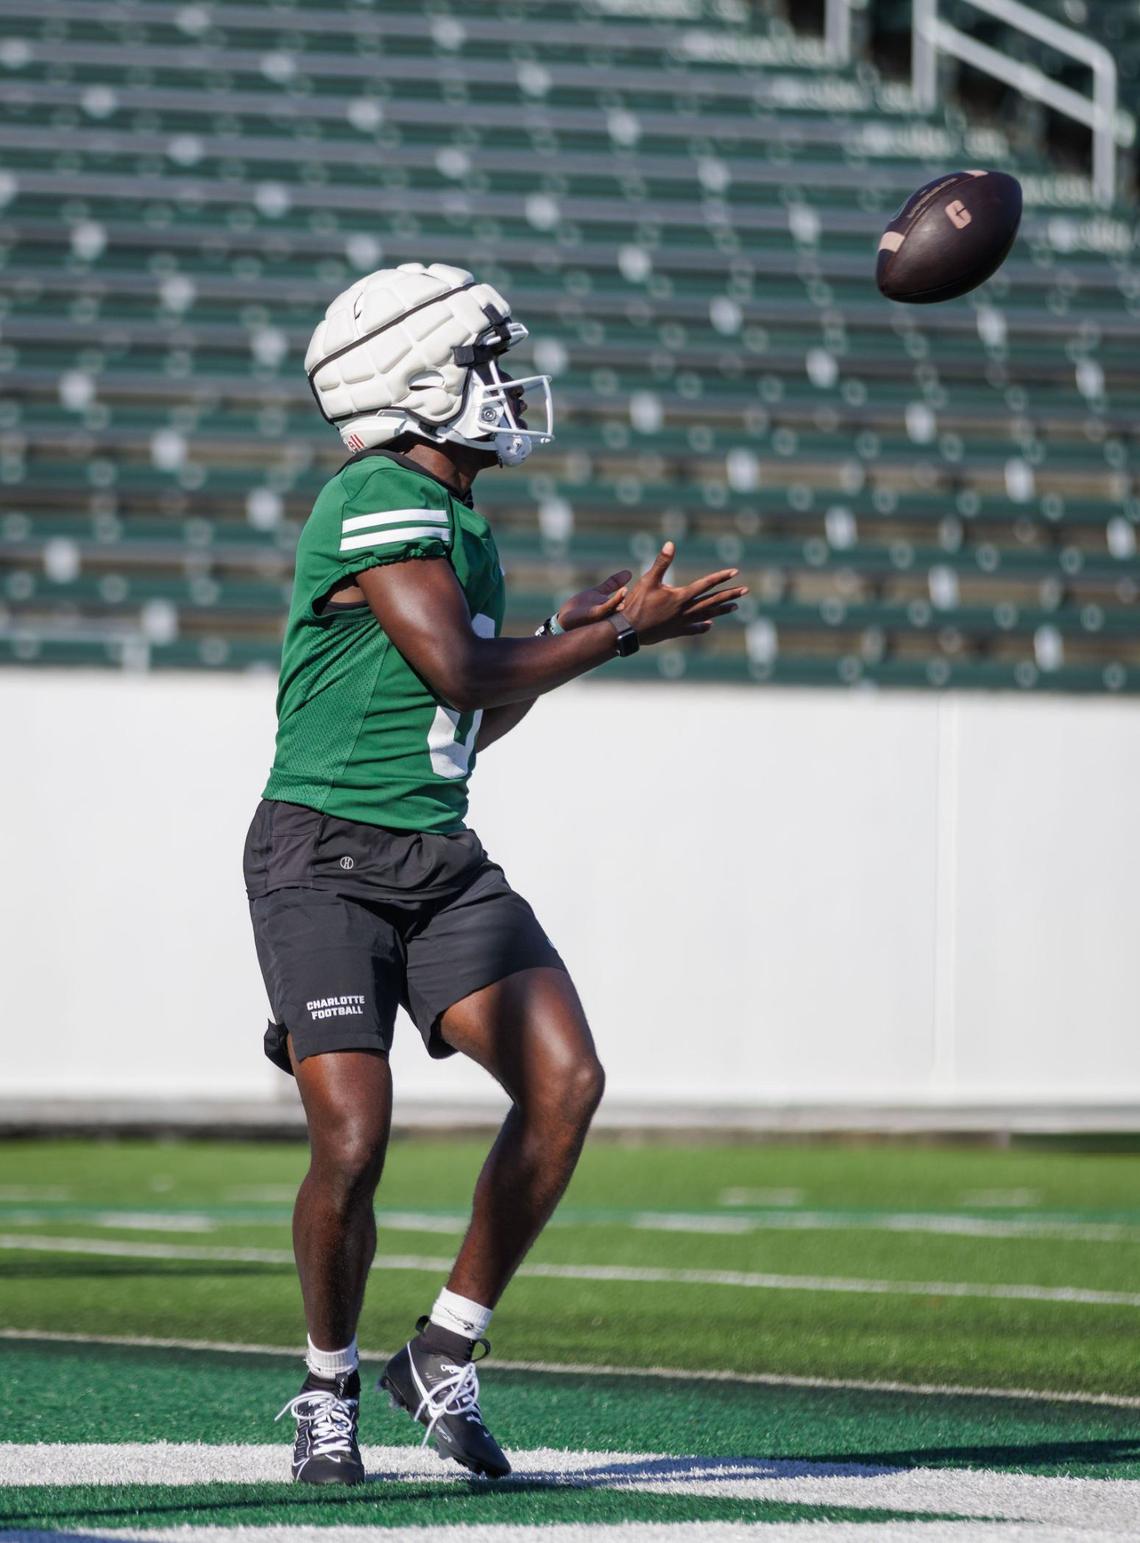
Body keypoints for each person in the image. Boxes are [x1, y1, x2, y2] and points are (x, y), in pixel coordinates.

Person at [245, 262, 746, 1485]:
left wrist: (570, 633)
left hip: (435, 856)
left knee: (566, 1078)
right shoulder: (373, 491)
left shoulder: (459, 522)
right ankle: (328, 1386)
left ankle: (444, 1350)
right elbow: (467, 678)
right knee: (354, 1143)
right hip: (324, 855)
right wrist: (612, 633)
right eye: (477, 363)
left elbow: (468, 718)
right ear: (413, 382)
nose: (498, 384)